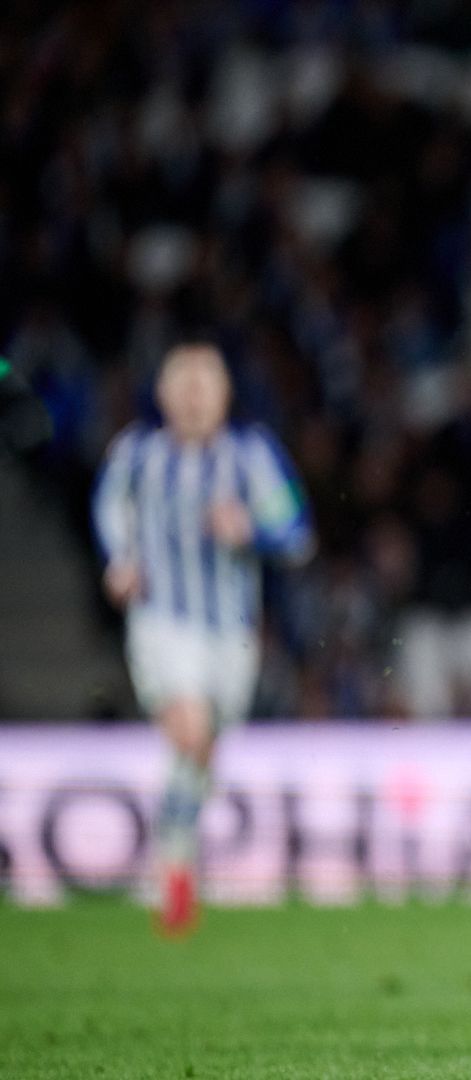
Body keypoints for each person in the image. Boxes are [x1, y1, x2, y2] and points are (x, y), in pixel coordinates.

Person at [92, 342, 313, 935]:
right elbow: (109, 508)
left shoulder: (252, 455)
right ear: (163, 393)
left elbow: (295, 531)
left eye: (204, 383)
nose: (192, 395)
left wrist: (250, 527)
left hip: (233, 635)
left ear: (223, 395)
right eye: (182, 382)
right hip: (162, 620)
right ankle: (175, 877)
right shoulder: (137, 455)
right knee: (189, 732)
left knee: (201, 753)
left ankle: (174, 855)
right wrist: (120, 560)